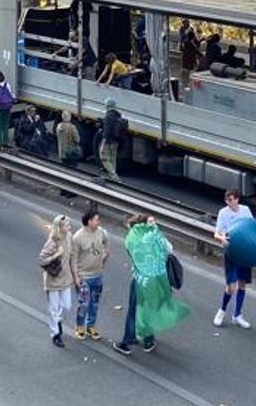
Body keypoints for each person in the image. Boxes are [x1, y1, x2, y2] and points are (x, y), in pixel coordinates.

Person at [112, 213, 189, 355]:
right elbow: (169, 249)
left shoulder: (132, 238)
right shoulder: (155, 235)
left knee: (134, 309)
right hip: (157, 279)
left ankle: (127, 341)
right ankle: (148, 340)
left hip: (140, 278)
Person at [213, 189, 254, 328]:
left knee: (242, 283)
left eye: (232, 199)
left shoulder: (245, 210)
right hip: (231, 252)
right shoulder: (223, 213)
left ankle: (237, 315)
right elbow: (216, 234)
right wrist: (222, 238)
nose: (230, 202)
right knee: (231, 287)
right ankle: (222, 310)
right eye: (228, 200)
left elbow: (251, 226)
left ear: (237, 199)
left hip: (244, 252)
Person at [39, 213, 76, 347]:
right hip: (53, 280)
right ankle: (55, 333)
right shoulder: (52, 242)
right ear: (59, 228)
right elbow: (42, 260)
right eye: (67, 225)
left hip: (66, 278)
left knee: (67, 305)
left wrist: (75, 274)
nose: (69, 227)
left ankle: (58, 320)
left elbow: (72, 256)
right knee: (53, 308)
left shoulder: (69, 237)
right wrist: (56, 255)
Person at [72, 206, 108, 340]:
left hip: (97, 275)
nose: (99, 222)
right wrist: (76, 276)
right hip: (84, 277)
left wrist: (104, 258)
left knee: (95, 303)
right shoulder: (78, 237)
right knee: (84, 304)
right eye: (96, 220)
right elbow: (73, 258)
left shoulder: (101, 233)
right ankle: (80, 326)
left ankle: (90, 326)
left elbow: (105, 246)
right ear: (89, 221)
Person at [100, 98, 126, 181]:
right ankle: (113, 177)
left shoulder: (108, 117)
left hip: (108, 142)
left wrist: (102, 145)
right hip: (115, 141)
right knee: (112, 159)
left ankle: (114, 176)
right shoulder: (118, 115)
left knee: (104, 158)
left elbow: (107, 132)